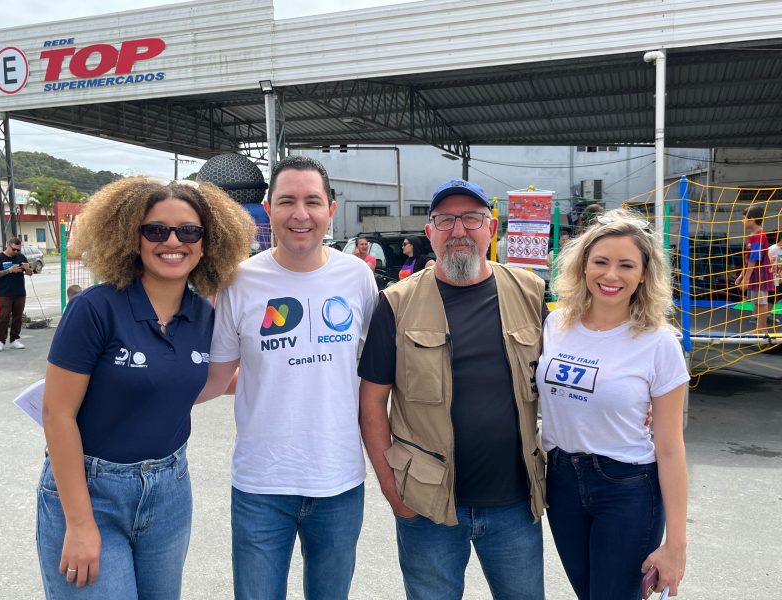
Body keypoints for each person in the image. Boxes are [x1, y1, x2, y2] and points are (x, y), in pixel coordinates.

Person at [37, 177, 254, 598]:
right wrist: (80, 524)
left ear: (208, 243)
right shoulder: (95, 308)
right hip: (92, 490)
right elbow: (56, 414)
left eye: (189, 231)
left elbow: (202, 382)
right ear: (131, 237)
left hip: (169, 490)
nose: (172, 241)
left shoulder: (207, 316)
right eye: (156, 229)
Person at [197, 155, 378, 600]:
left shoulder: (357, 277)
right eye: (287, 201)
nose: (301, 214)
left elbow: (377, 374)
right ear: (267, 207)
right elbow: (217, 378)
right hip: (261, 485)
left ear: (331, 210)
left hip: (338, 482)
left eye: (313, 201)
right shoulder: (238, 281)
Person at [359, 178, 547, 600]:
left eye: (471, 219)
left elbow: (558, 372)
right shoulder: (396, 303)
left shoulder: (530, 292)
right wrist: (393, 491)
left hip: (514, 504)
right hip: (426, 506)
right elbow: (372, 402)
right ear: (430, 232)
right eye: (445, 220)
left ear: (491, 229)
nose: (458, 230)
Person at [538, 209, 689, 599]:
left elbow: (671, 448)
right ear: (583, 266)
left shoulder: (659, 343)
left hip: (626, 487)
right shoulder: (554, 326)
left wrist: (677, 544)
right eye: (601, 262)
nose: (611, 275)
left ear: (643, 275)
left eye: (626, 265)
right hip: (561, 481)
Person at [735, 204, 775, 332]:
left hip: (761, 275)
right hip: (754, 274)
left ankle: (761, 328)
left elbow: (754, 259)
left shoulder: (758, 235)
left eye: (744, 218)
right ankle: (759, 327)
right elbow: (748, 259)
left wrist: (745, 279)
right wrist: (742, 275)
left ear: (751, 219)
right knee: (758, 302)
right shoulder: (753, 235)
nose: (743, 221)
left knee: (762, 302)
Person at [0, 236, 32, 351]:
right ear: (7, 245)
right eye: (14, 249)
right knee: (4, 316)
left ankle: (14, 339)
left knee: (18, 317)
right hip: (5, 293)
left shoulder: (21, 257)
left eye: (18, 250)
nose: (16, 252)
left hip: (19, 292)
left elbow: (30, 273)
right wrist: (9, 270)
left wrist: (27, 268)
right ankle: (0, 341)